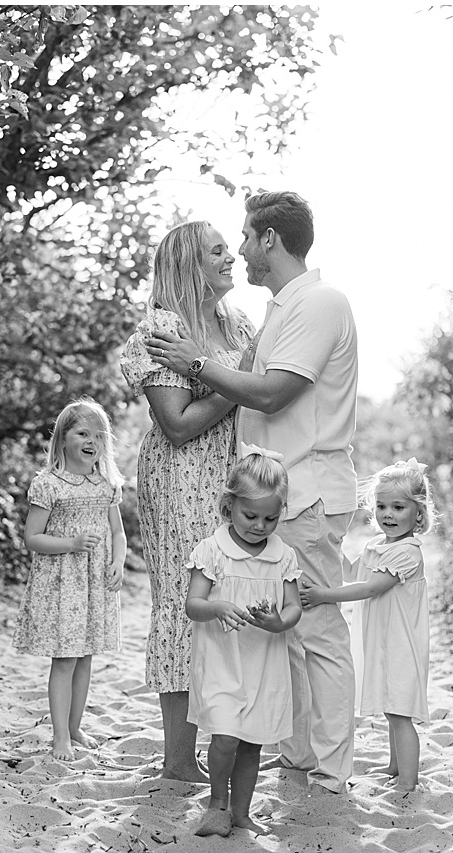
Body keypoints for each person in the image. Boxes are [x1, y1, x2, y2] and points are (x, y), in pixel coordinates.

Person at [146, 190, 360, 793]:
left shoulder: (319, 302)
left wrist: (195, 363)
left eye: (244, 237)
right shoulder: (281, 307)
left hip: (309, 492)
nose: (240, 250)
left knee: (317, 631)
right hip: (280, 494)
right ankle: (298, 753)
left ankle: (332, 765)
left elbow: (269, 394)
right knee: (285, 632)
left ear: (270, 239)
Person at [118, 220, 258, 783]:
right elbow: (175, 425)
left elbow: (258, 387)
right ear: (188, 266)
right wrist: (234, 381)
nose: (231, 257)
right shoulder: (163, 326)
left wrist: (229, 376)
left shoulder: (237, 321)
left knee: (224, 597)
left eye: (231, 248)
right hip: (179, 475)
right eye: (218, 251)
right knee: (185, 598)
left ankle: (216, 740)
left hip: (228, 471)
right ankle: (177, 759)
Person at [298, 458, 439, 792]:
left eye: (398, 507)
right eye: (381, 506)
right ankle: (394, 765)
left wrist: (323, 595)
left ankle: (408, 779)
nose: (387, 514)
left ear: (418, 513)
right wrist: (326, 545)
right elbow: (351, 572)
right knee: (392, 709)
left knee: (401, 711)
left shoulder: (408, 552)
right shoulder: (377, 545)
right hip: (383, 640)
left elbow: (370, 588)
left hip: (401, 641)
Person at [185, 448, 303, 837]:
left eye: (271, 518)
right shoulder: (213, 550)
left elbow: (293, 610)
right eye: (250, 516)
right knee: (225, 737)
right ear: (228, 506)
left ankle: (241, 811)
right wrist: (218, 606)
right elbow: (193, 605)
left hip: (263, 664)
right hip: (221, 661)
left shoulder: (283, 556)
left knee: (251, 743)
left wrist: (276, 622)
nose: (260, 526)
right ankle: (217, 803)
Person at [18, 399, 127, 760]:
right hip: (63, 583)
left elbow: (117, 531)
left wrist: (119, 561)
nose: (91, 440)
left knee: (85, 659)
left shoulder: (106, 484)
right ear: (63, 439)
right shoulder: (49, 484)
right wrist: (72, 543)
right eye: (82, 433)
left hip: (95, 583)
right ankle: (60, 735)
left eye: (98, 434)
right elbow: (32, 537)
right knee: (65, 659)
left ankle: (76, 726)